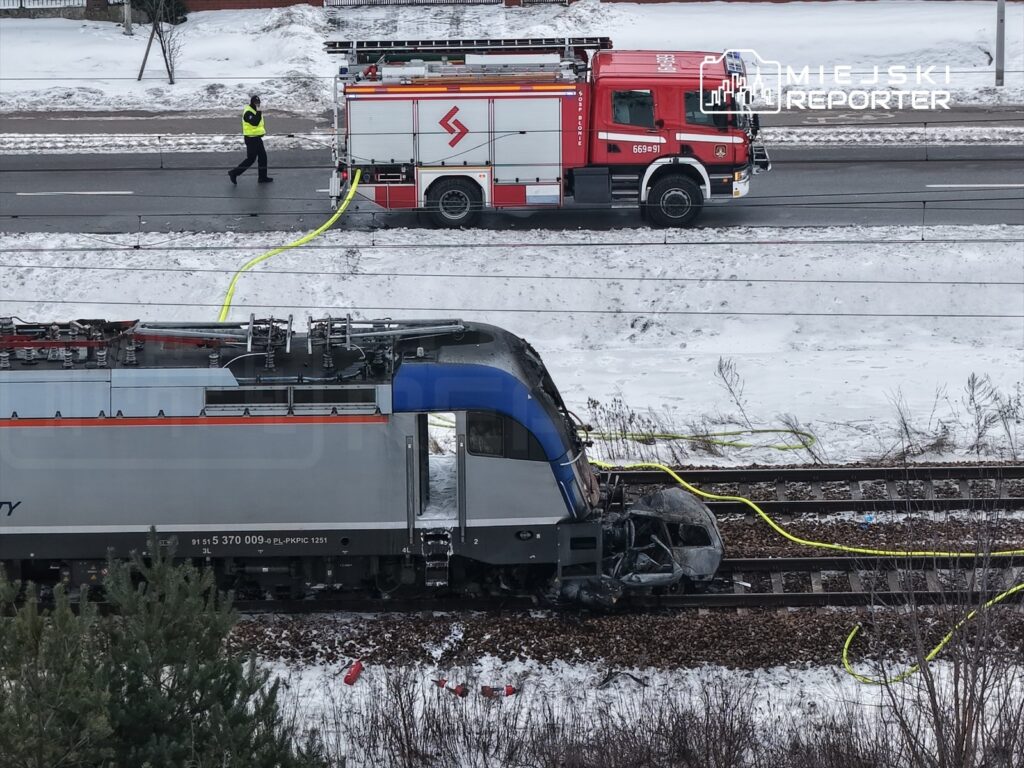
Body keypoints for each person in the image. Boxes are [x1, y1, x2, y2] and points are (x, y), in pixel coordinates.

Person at [228, 94, 273, 184]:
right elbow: (255, 122)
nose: (258, 104)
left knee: (263, 158)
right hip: (251, 139)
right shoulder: (248, 112)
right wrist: (259, 111)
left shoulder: (255, 110)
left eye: (258, 103)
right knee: (251, 159)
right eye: (256, 103)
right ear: (252, 103)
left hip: (257, 138)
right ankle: (234, 173)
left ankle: (262, 177)